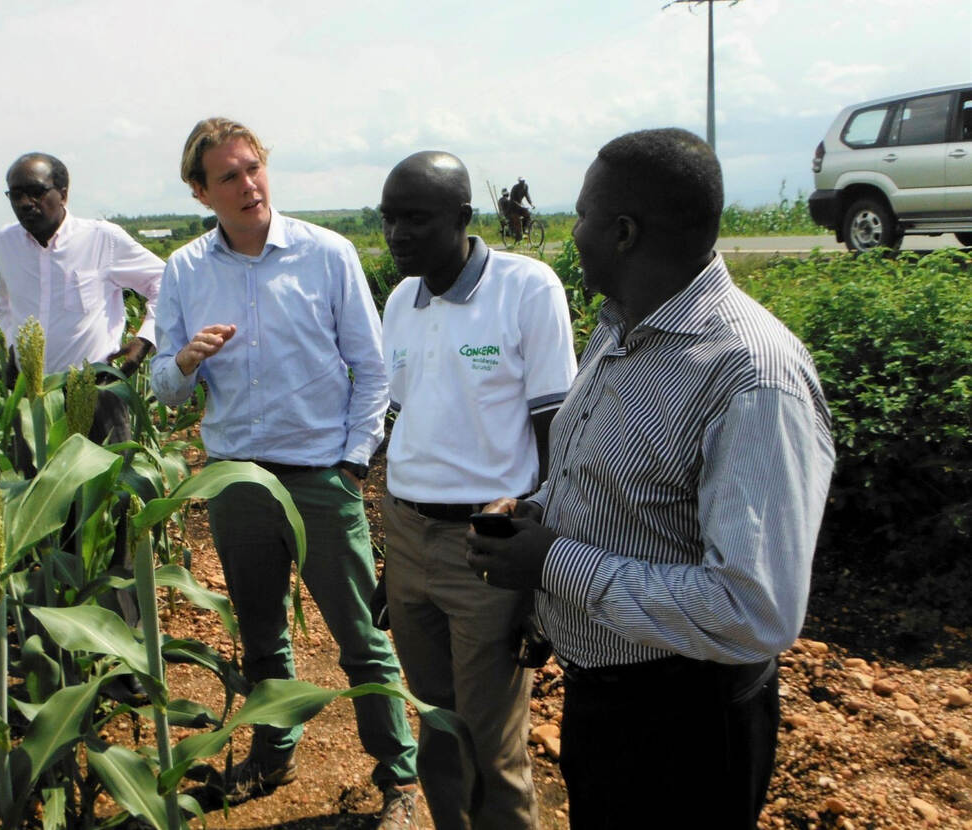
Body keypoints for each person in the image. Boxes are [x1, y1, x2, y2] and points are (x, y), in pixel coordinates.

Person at [466, 128, 836, 830]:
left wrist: (552, 562)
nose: (573, 232)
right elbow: (614, 487)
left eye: (582, 215)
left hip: (685, 722)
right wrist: (539, 512)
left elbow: (753, 609)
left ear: (624, 233)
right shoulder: (621, 327)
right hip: (605, 697)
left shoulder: (751, 377)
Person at [150, 118, 421, 829]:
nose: (248, 185)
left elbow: (372, 369)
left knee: (361, 639)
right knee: (263, 636)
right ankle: (274, 754)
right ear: (200, 191)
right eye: (229, 176)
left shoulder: (325, 254)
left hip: (319, 477)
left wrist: (352, 463)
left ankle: (399, 778)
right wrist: (185, 361)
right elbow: (165, 388)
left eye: (253, 168)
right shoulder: (185, 270)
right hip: (236, 481)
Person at [377, 151, 577, 829]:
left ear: (462, 217)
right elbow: (406, 420)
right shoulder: (400, 301)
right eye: (389, 218)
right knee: (436, 726)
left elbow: (556, 432)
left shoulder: (527, 289)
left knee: (492, 746)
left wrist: (541, 572)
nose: (397, 234)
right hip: (408, 536)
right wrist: (391, 556)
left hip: (486, 547)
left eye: (415, 218)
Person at [0, 151, 163, 454]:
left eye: (36, 192)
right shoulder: (5, 243)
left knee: (108, 481)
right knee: (38, 483)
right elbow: (5, 304)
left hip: (94, 391)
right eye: (16, 195)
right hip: (33, 398)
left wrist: (145, 340)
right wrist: (12, 347)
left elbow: (165, 282)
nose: (25, 203)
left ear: (63, 194)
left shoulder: (101, 239)